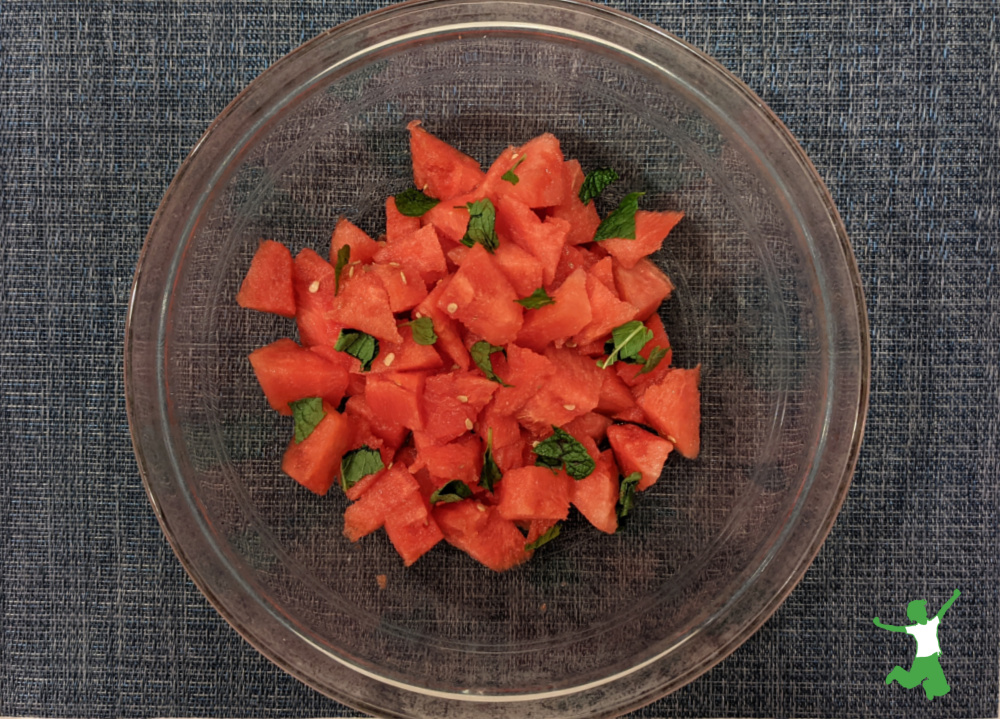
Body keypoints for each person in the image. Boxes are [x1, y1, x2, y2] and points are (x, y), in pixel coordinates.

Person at [873, 588, 960, 701]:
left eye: (922, 609)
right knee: (910, 683)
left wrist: (954, 596)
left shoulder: (933, 622)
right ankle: (897, 672)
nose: (923, 611)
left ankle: (928, 686)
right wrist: (880, 625)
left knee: (943, 688)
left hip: (933, 660)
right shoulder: (915, 629)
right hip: (922, 661)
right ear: (915, 616)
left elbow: (944, 608)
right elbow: (896, 629)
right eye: (920, 610)